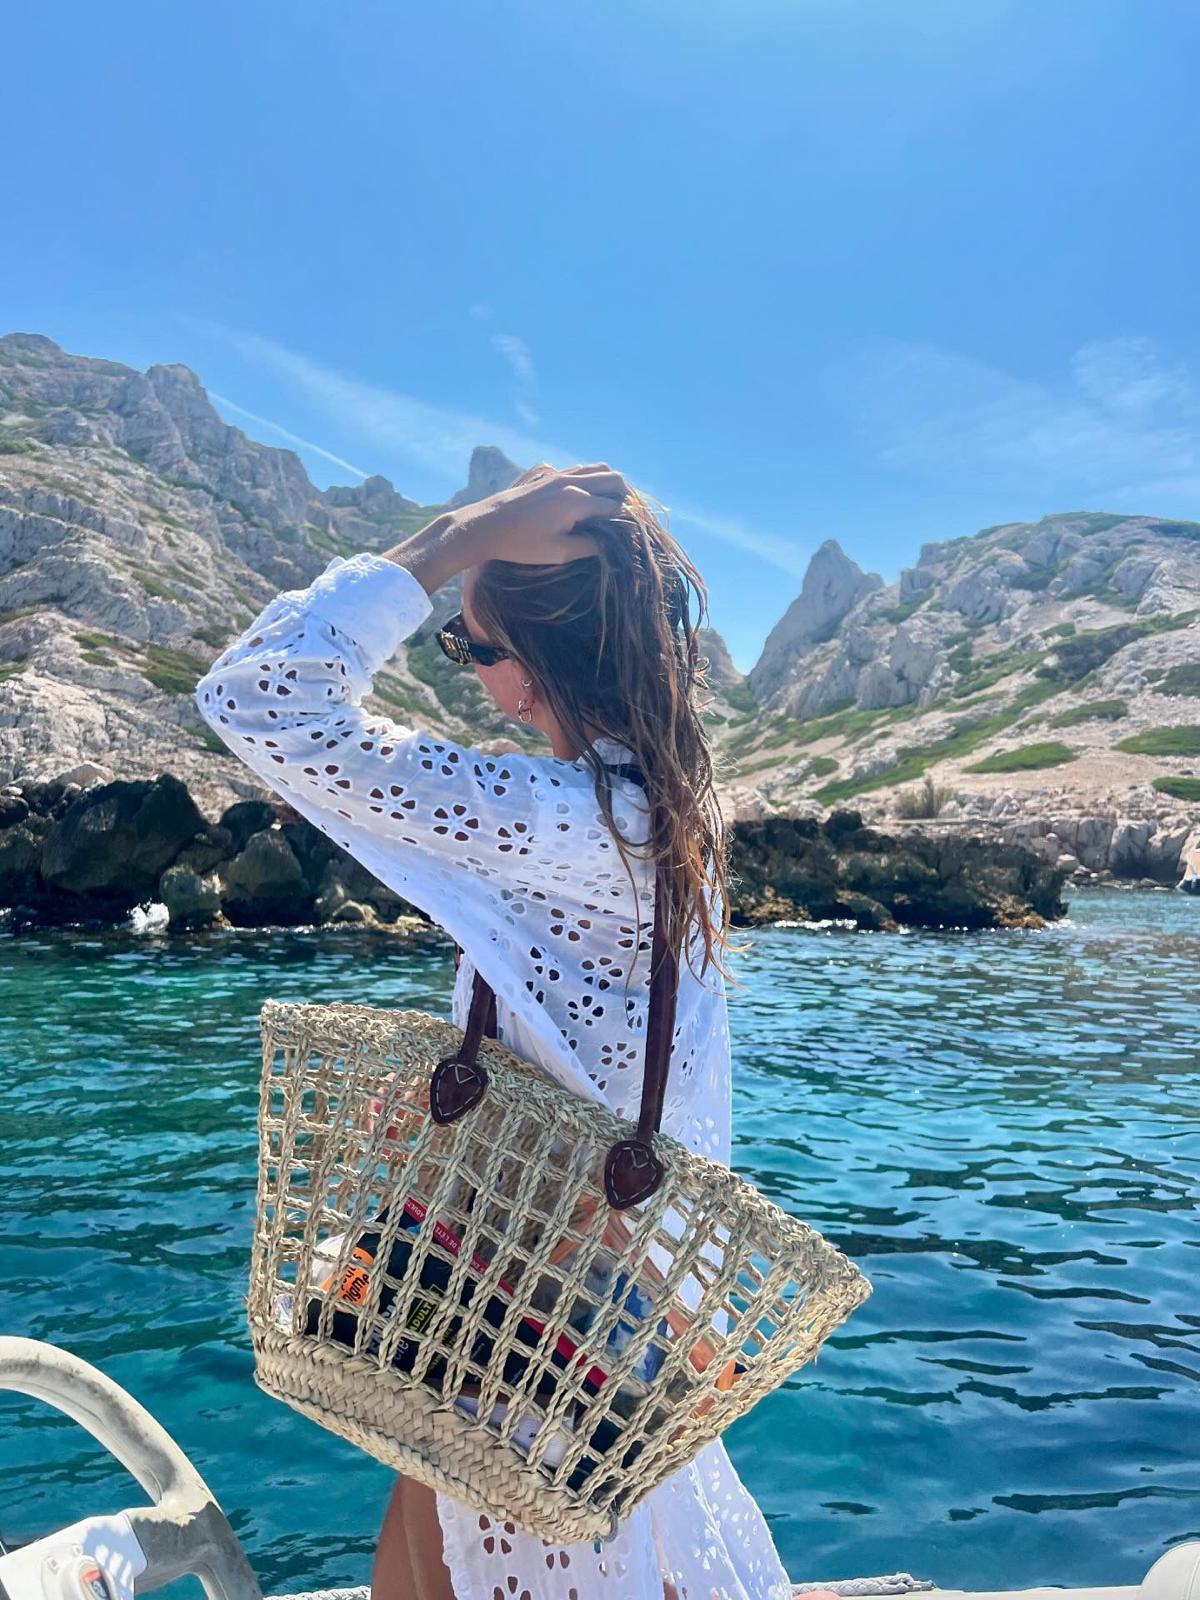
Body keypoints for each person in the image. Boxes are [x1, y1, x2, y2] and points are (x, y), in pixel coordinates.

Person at [196, 463, 825, 1600]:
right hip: (589, 1293)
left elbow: (256, 697)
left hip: (521, 1303)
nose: (469, 669)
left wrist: (454, 537)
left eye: (471, 645)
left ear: (535, 666)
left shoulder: (559, 818)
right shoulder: (668, 805)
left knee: (489, 1535)